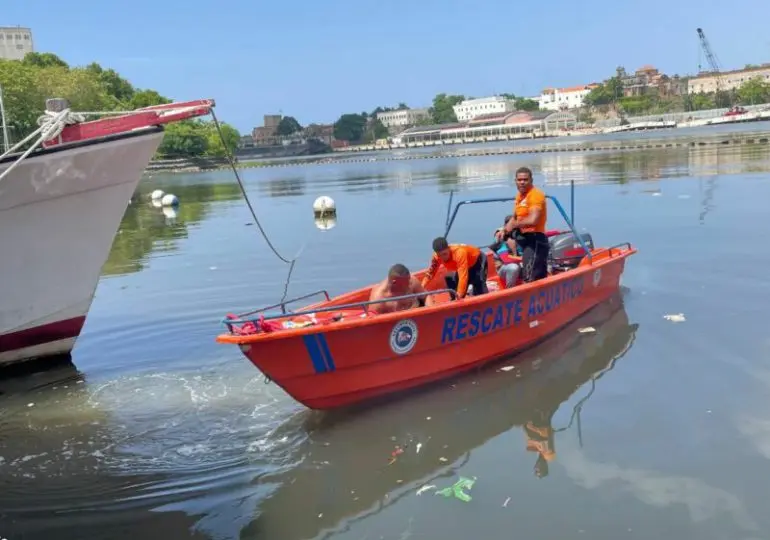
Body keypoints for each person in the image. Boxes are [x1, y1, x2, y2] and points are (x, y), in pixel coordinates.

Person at [496, 166, 549, 282]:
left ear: (531, 180)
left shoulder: (535, 195)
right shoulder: (520, 196)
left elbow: (533, 220)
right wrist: (504, 230)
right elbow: (515, 217)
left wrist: (515, 225)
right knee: (534, 272)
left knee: (529, 276)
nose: (522, 182)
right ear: (515, 181)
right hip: (524, 239)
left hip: (536, 240)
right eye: (519, 180)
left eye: (525, 179)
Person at [421, 237, 488, 299]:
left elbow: (463, 276)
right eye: (439, 255)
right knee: (451, 282)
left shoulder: (459, 253)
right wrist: (421, 287)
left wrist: (459, 295)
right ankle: (455, 301)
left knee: (479, 288)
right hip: (462, 267)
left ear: (448, 249)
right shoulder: (436, 257)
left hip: (477, 262)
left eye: (444, 254)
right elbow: (431, 273)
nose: (442, 258)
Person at [369, 263, 434, 314]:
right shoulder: (378, 300)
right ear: (394, 283)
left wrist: (431, 311)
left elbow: (426, 296)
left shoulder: (412, 281)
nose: (409, 284)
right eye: (406, 283)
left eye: (409, 280)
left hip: (418, 313)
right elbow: (372, 321)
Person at [490, 215, 521, 288]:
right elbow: (506, 259)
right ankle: (510, 291)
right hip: (504, 268)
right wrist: (524, 259)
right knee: (513, 267)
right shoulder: (500, 237)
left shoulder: (519, 236)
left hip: (519, 262)